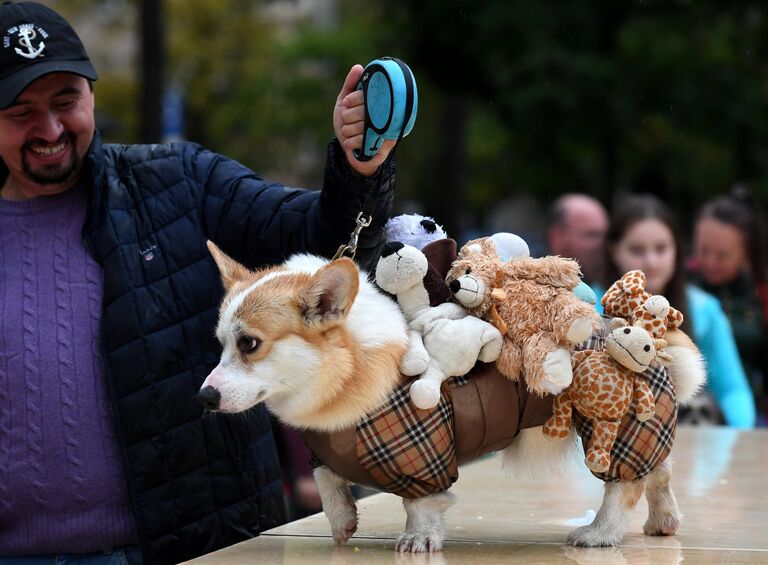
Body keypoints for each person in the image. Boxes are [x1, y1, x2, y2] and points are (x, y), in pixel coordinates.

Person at [0, 2, 399, 564]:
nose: (50, 129)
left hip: (199, 547)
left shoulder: (180, 181)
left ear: (91, 95)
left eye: (66, 101)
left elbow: (323, 237)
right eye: (21, 111)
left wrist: (357, 170)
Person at [593, 194, 756, 429]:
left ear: (677, 250)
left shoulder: (704, 310)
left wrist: (738, 438)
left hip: (689, 436)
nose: (651, 261)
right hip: (605, 437)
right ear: (613, 250)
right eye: (637, 250)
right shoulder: (588, 307)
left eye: (661, 249)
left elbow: (732, 390)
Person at [689, 187, 768, 425]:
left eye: (722, 255)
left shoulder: (760, 294)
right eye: (703, 251)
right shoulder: (681, 286)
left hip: (751, 409)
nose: (710, 262)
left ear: (745, 253)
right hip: (691, 409)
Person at [546, 193, 609, 285]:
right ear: (556, 237)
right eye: (591, 235)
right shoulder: (528, 284)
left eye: (606, 235)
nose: (602, 243)